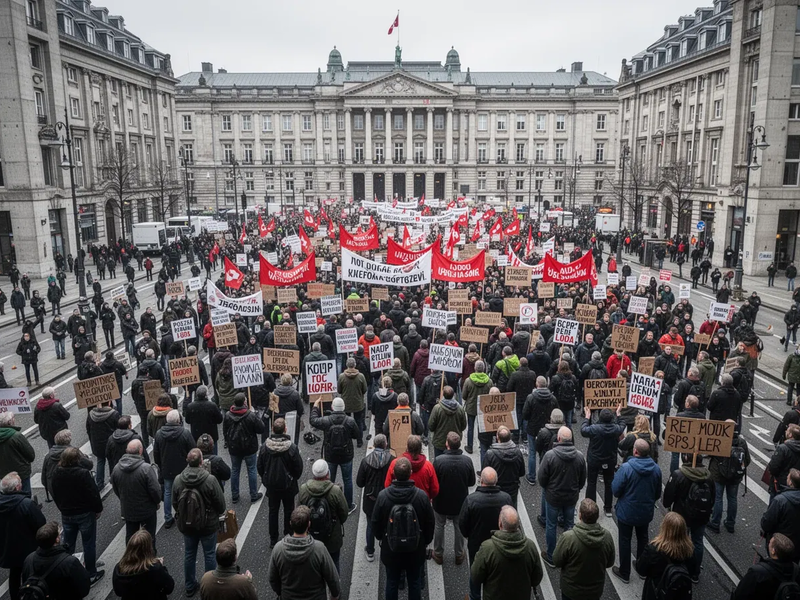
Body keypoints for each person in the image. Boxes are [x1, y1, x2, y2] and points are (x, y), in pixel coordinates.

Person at [372, 456, 436, 600]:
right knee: (414, 582)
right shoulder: (421, 496)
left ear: (394, 474)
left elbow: (375, 521)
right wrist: (425, 541)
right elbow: (430, 522)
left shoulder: (383, 496)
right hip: (415, 548)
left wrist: (381, 537)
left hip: (391, 547)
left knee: (392, 582)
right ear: (410, 472)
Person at [172, 447, 226, 597]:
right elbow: (221, 505)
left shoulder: (178, 479)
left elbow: (175, 503)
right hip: (208, 524)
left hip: (187, 525)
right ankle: (209, 585)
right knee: (209, 554)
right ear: (201, 461)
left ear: (187, 461)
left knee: (189, 554)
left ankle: (189, 585)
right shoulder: (210, 480)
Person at [610, 438, 662, 584]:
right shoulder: (656, 469)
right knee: (643, 538)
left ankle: (624, 572)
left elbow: (615, 490)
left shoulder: (626, 468)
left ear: (635, 451)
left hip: (627, 512)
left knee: (625, 540)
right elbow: (658, 493)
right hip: (645, 512)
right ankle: (641, 568)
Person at [50, 447, 104, 584]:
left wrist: (61, 507)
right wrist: (98, 508)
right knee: (89, 544)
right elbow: (93, 493)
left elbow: (54, 492)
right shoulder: (82, 473)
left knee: (68, 544)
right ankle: (91, 573)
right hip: (84, 513)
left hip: (67, 513)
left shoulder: (56, 472)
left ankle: (65, 572)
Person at [458, 467, 512, 600]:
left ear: (481, 480)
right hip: (499, 544)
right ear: (496, 481)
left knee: (475, 572)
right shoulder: (506, 498)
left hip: (477, 543)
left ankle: (474, 596)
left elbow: (463, 524)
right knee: (496, 573)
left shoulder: (471, 500)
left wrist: (469, 535)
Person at [268, 505, 341, 600]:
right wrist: (335, 594)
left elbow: (272, 578)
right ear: (309, 525)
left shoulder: (278, 549)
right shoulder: (319, 549)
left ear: (290, 523)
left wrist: (281, 592)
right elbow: (332, 578)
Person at [471, 505, 544, 600]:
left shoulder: (487, 548)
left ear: (500, 524)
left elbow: (475, 576)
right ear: (518, 525)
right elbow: (537, 577)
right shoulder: (530, 546)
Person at [538, 426, 587, 565]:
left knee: (551, 525)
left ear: (558, 439)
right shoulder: (579, 456)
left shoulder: (550, 456)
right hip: (571, 497)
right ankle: (569, 554)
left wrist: (548, 488)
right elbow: (583, 479)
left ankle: (551, 556)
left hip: (553, 497)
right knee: (569, 525)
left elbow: (542, 478)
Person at [663, 453, 715, 582]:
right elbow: (713, 498)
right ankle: (695, 572)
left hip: (681, 515)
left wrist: (668, 505)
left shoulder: (678, 474)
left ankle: (678, 567)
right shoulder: (708, 476)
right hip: (701, 516)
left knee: (679, 540)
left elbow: (668, 496)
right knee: (697, 542)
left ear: (686, 459)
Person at [550, 499, 615, 598]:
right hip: (594, 591)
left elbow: (556, 560)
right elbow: (610, 562)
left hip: (571, 590)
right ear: (597, 517)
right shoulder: (607, 537)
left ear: (580, 516)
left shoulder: (569, 537)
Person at [256, 418, 304, 547]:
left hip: (271, 484)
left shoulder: (265, 447)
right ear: (285, 430)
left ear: (273, 429)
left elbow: (259, 466)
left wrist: (266, 479)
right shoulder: (291, 447)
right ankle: (288, 534)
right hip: (288, 484)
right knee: (289, 510)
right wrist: (293, 478)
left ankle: (273, 539)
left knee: (273, 510)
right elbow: (298, 467)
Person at [297, 459, 349, 573]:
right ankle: (334, 589)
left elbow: (299, 514)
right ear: (327, 473)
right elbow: (344, 513)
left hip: (311, 537)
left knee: (314, 565)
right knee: (334, 563)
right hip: (332, 537)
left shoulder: (304, 489)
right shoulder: (335, 491)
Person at [0, 472, 46, 600]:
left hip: (8, 547)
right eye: (20, 483)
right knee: (31, 575)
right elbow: (41, 523)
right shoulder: (26, 504)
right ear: (17, 488)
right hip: (28, 547)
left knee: (14, 575)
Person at [309, 396, 360, 510]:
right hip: (346, 455)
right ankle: (348, 505)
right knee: (347, 480)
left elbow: (313, 421)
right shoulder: (350, 421)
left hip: (330, 455)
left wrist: (316, 406)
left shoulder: (326, 420)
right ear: (343, 407)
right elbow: (357, 435)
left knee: (329, 480)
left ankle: (328, 504)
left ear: (332, 407)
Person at [431, 432, 475, 565]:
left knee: (439, 525)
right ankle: (459, 554)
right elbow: (471, 482)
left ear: (447, 444)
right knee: (459, 526)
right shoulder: (467, 461)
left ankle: (438, 553)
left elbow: (433, 482)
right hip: (460, 502)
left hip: (441, 500)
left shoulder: (439, 461)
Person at [111, 439, 162, 549]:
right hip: (147, 510)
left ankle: (131, 560)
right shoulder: (146, 469)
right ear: (140, 451)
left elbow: (116, 489)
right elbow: (155, 490)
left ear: (126, 451)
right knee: (149, 537)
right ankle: (149, 560)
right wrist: (157, 502)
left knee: (130, 537)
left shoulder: (116, 469)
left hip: (128, 509)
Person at [21, 521, 91, 600]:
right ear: (57, 539)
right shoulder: (69, 562)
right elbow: (84, 589)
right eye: (59, 533)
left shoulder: (29, 559)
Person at [635, 511, 696, 600]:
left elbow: (640, 569)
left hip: (655, 593)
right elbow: (692, 571)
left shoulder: (653, 549)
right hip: (677, 594)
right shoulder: (690, 551)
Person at [153, 409, 195, 528]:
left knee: (167, 492)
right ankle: (184, 514)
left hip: (167, 469)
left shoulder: (159, 434)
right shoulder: (185, 433)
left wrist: (160, 466)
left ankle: (168, 517)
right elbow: (193, 450)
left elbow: (156, 454)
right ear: (178, 420)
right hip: (183, 468)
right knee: (185, 492)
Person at [580, 406, 626, 516]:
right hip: (609, 460)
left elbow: (583, 430)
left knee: (591, 482)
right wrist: (618, 413)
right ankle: (608, 508)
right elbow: (622, 424)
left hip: (594, 459)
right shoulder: (616, 429)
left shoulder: (594, 428)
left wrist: (587, 417)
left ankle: (590, 508)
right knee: (609, 482)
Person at [356, 433, 393, 562]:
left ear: (373, 445)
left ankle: (370, 551)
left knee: (370, 525)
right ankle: (386, 547)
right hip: (387, 497)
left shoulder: (366, 461)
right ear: (385, 444)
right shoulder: (391, 459)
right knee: (388, 523)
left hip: (370, 498)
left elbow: (359, 483)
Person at [223, 393, 265, 504]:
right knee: (251, 469)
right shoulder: (250, 415)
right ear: (245, 402)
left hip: (234, 447)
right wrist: (254, 414)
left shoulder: (228, 415)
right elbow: (261, 428)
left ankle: (235, 495)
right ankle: (253, 494)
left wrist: (228, 442)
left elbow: (225, 431)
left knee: (235, 470)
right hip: (249, 447)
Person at [708, 422, 750, 534]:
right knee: (732, 498)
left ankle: (715, 522)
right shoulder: (742, 442)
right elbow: (747, 460)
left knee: (718, 498)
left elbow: (710, 454)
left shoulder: (720, 439)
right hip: (735, 477)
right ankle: (730, 523)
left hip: (719, 475)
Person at [733, 533, 800, 600]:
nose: (768, 544)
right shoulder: (796, 569)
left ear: (773, 551)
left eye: (770, 543)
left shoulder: (757, 572)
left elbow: (740, 594)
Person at [112, 530, 175, 600]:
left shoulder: (119, 568)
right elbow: (169, 587)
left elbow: (118, 592)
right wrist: (161, 566)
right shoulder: (155, 570)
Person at [522, 376, 558, 485]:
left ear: (537, 384)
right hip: (548, 429)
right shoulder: (552, 398)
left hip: (533, 428)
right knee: (545, 452)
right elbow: (556, 412)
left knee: (532, 452)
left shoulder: (531, 397)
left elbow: (525, 414)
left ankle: (532, 477)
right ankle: (544, 475)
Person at [761, 468, 800, 561]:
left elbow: (766, 524)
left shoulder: (780, 501)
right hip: (797, 547)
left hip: (779, 544)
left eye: (788, 476)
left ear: (790, 482)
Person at [483, 426, 525, 508]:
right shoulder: (518, 452)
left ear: (497, 437)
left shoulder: (490, 454)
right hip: (512, 489)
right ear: (510, 437)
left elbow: (485, 473)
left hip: (496, 490)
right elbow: (522, 472)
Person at [86, 401, 119, 489]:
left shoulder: (91, 414)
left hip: (97, 443)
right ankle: (113, 479)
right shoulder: (114, 414)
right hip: (110, 442)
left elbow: (88, 429)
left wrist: (92, 440)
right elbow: (118, 429)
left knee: (100, 461)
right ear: (109, 403)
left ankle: (99, 483)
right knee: (112, 461)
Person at [0, 413, 36, 496]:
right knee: (24, 495)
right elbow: (30, 455)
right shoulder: (16, 436)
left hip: (2, 474)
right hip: (20, 472)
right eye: (13, 418)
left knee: (7, 495)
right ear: (9, 422)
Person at [427, 385, 467, 458]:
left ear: (443, 394)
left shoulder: (437, 408)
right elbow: (463, 426)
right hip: (454, 443)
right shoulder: (460, 409)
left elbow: (431, 426)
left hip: (439, 442)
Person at [462, 360, 493, 454]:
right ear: (484, 369)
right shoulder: (489, 381)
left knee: (470, 427)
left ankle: (470, 446)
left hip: (471, 407)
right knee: (482, 427)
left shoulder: (468, 380)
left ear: (475, 368)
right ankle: (482, 444)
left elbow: (464, 396)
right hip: (483, 408)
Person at [184, 385, 223, 453]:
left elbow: (187, 421)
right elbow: (219, 420)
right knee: (213, 458)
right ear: (206, 395)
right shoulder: (212, 406)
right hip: (211, 436)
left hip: (197, 436)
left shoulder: (190, 406)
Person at [768, 424, 800, 499]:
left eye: (788, 430)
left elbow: (773, 467)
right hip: (796, 484)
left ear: (790, 435)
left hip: (780, 484)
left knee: (776, 504)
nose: (785, 431)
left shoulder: (783, 448)